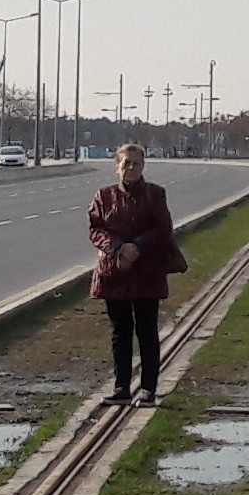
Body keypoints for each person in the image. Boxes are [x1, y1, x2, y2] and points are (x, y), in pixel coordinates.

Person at [89, 143, 182, 400]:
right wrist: (118, 249)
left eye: (136, 163)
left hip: (147, 271)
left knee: (147, 329)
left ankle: (149, 387)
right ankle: (121, 387)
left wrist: (136, 248)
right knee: (120, 331)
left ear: (143, 166)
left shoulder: (155, 195)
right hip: (114, 272)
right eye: (126, 163)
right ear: (116, 166)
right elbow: (95, 229)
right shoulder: (103, 196)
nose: (131, 168)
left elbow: (163, 229)